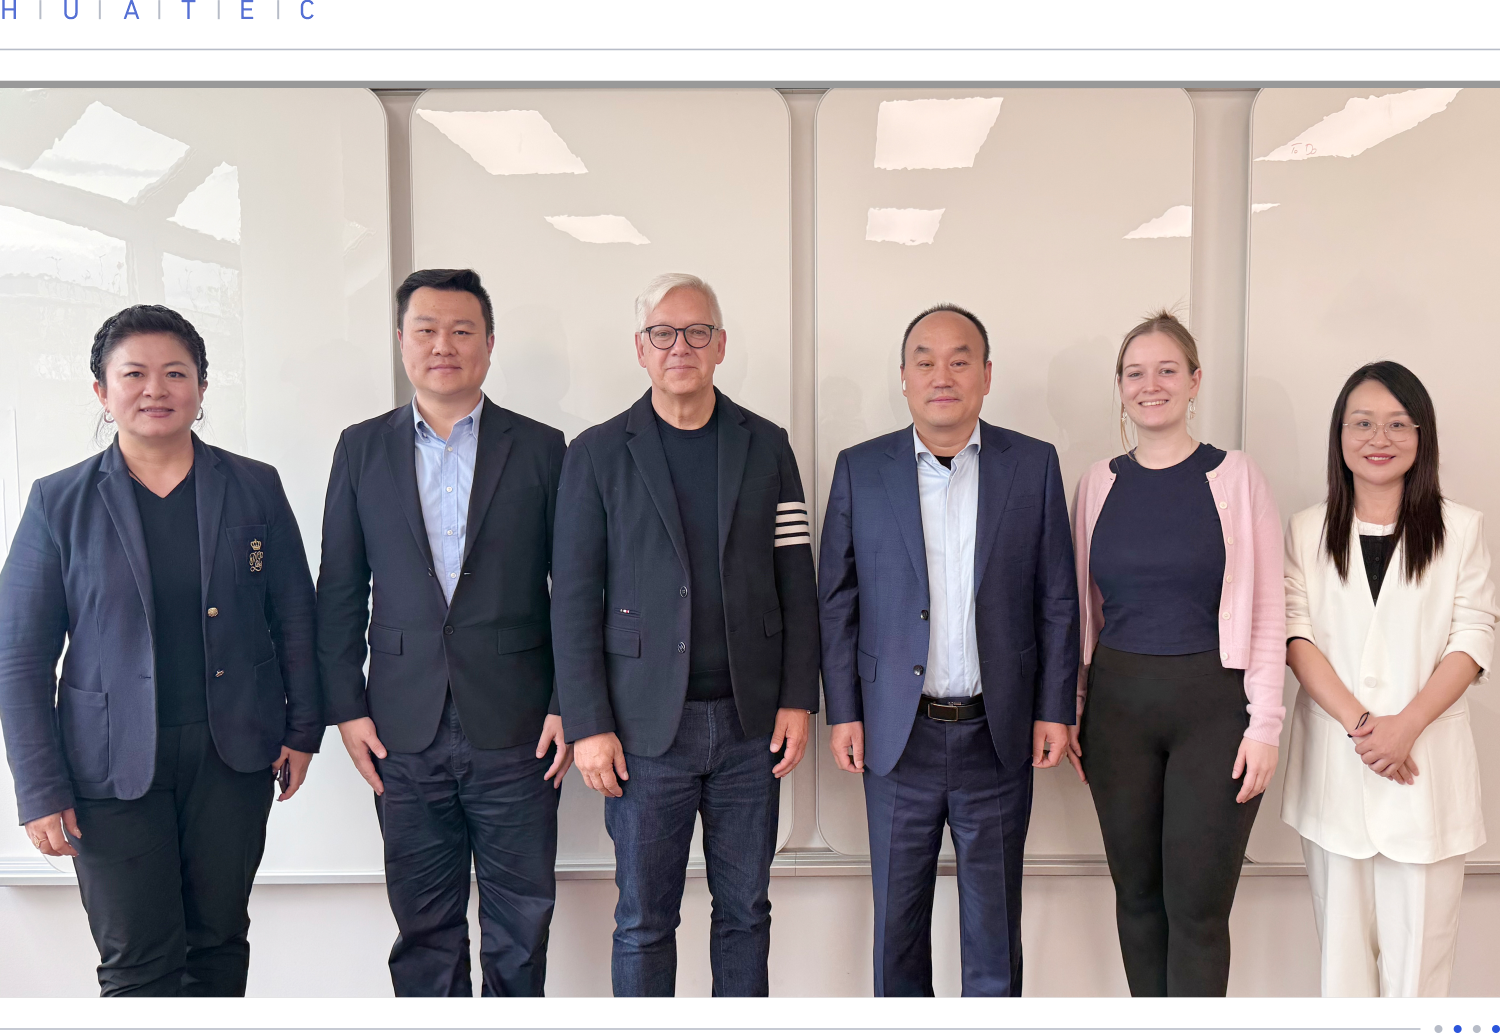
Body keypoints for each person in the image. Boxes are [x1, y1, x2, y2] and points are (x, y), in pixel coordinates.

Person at [0, 305, 321, 996]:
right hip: (107, 765)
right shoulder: (59, 502)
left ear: (201, 387)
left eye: (176, 373)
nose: (156, 389)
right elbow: (20, 658)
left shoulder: (254, 486)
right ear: (101, 390)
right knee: (136, 961)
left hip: (232, 755)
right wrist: (39, 787)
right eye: (134, 374)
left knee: (218, 945)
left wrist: (303, 730)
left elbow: (295, 615)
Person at [550, 272, 819, 997]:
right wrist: (589, 724)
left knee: (746, 914)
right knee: (644, 921)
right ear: (641, 348)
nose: (681, 347)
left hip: (749, 727)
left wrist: (798, 698)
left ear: (721, 345)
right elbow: (572, 601)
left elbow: (797, 580)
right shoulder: (597, 453)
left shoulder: (767, 445)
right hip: (642, 734)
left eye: (697, 332)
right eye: (663, 333)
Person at [317, 269, 570, 997]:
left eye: (462, 330)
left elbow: (575, 590)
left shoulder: (544, 448)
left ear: (489, 343)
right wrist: (347, 709)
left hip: (520, 728)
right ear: (401, 340)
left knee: (521, 925)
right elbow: (339, 591)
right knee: (424, 930)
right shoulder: (361, 448)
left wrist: (568, 703)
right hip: (400, 728)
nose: (443, 345)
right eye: (426, 329)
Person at [818, 304, 1078, 997]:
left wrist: (1055, 708)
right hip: (896, 737)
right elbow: (837, 600)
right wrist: (844, 711)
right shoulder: (861, 468)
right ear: (903, 377)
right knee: (897, 932)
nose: (943, 376)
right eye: (925, 361)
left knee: (994, 937)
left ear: (986, 375)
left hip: (996, 735)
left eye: (960, 360)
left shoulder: (1033, 465)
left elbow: (1057, 596)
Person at [1069, 310, 1285, 997]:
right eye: (1135, 373)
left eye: (1167, 370)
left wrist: (1266, 724)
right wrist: (1075, 707)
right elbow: (1081, 609)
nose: (1151, 385)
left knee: (1197, 910)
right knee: (1136, 899)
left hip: (1214, 712)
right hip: (1117, 714)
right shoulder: (1097, 482)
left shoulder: (1237, 476)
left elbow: (1268, 607)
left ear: (1194, 381)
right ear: (1120, 386)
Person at [1282, 361, 1496, 997]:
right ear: (1340, 435)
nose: (1380, 438)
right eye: (1363, 423)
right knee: (1343, 972)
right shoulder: (1306, 529)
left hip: (1424, 770)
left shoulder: (1462, 529)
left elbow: (1473, 636)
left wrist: (1405, 727)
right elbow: (1296, 638)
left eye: (1399, 424)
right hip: (1338, 770)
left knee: (1419, 974)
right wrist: (1365, 727)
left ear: (1422, 435)